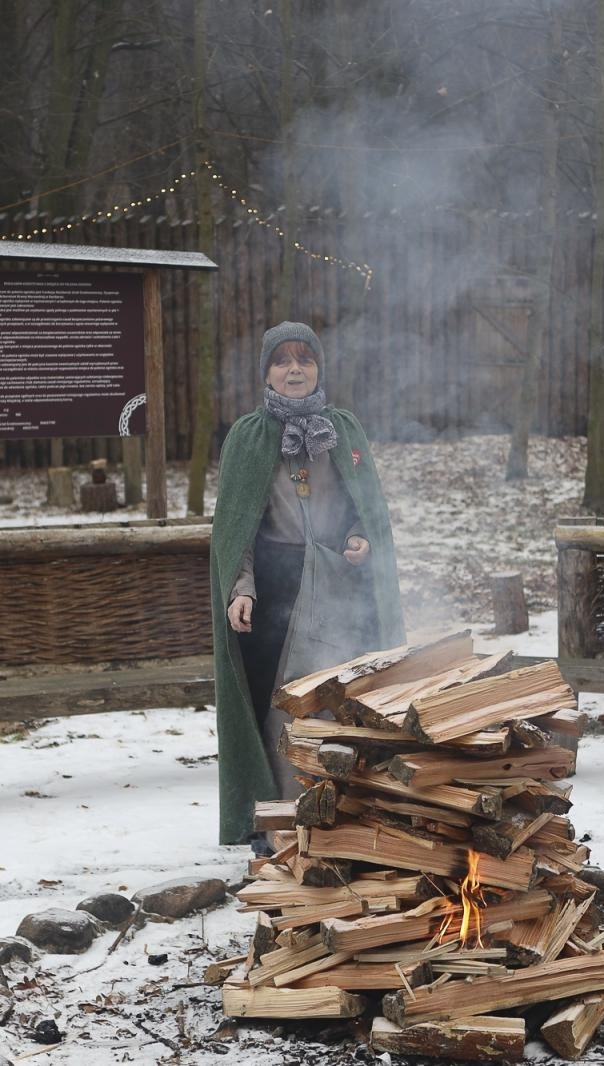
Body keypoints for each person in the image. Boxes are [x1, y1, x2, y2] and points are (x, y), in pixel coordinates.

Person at [210, 321, 405, 847]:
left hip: (341, 582)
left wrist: (360, 537)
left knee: (339, 696)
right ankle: (277, 819)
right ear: (267, 372)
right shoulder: (248, 438)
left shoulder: (344, 429)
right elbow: (237, 529)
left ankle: (343, 811)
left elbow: (367, 505)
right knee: (280, 702)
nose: (295, 370)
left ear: (318, 368)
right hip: (276, 584)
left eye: (305, 360)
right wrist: (242, 589)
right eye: (283, 361)